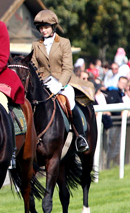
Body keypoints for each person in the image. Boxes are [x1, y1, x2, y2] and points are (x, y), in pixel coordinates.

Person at [30, 9, 96, 152]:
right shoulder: (36, 45)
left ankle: (80, 136)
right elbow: (34, 67)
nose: (43, 30)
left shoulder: (64, 42)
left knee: (70, 100)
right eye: (41, 28)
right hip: (43, 82)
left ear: (53, 27)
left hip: (62, 80)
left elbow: (67, 68)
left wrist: (59, 85)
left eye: (46, 27)